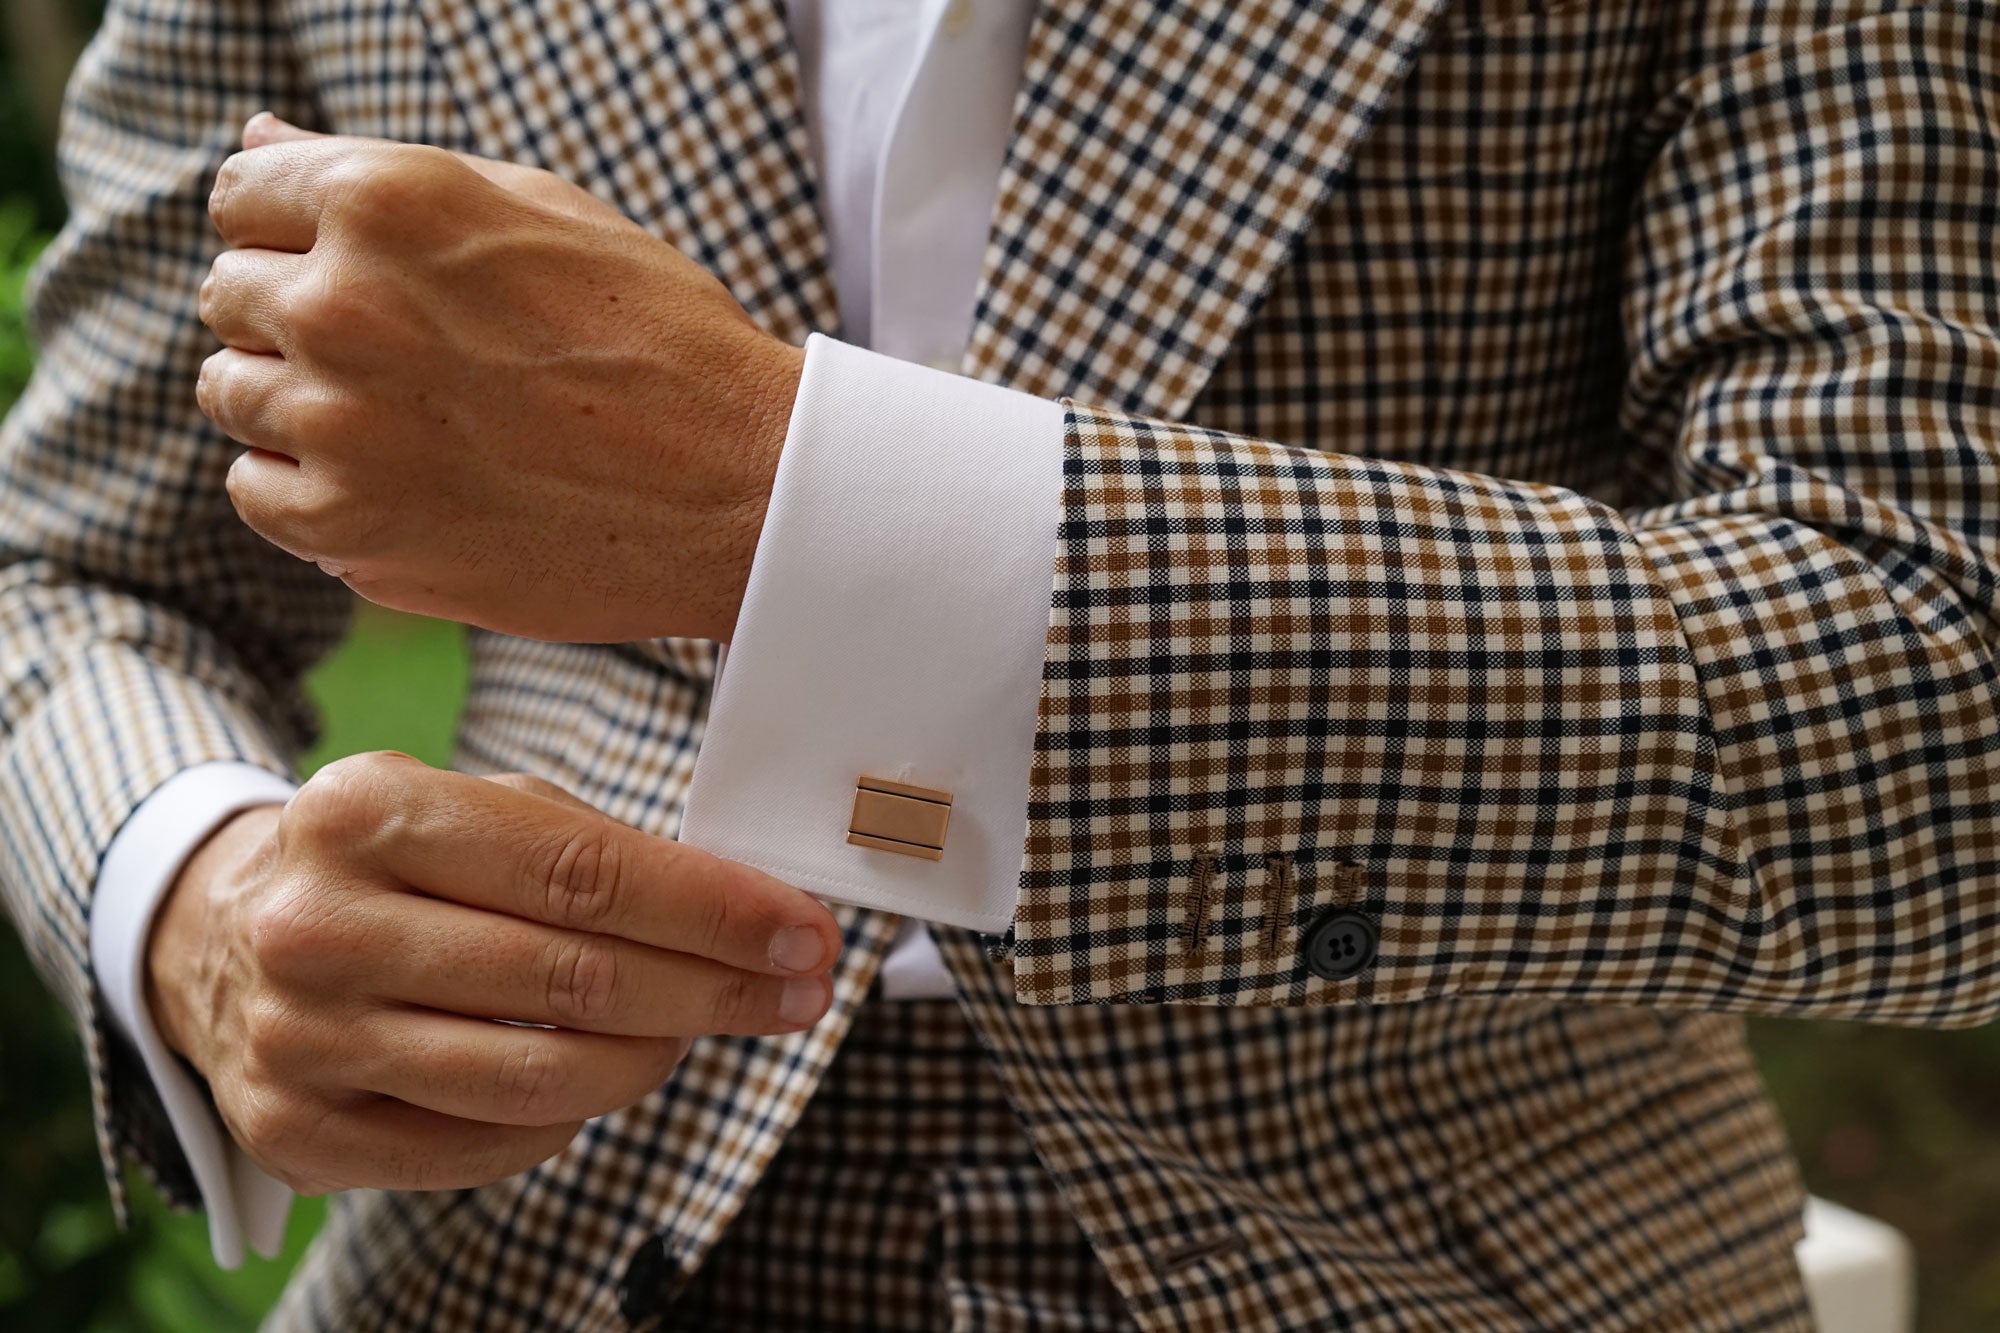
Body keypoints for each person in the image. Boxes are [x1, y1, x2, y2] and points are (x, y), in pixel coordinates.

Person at [3, 0, 1995, 1327]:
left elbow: (1938, 684)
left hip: (1441, 1247)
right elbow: (75, 573)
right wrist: (200, 889)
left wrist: (790, 494)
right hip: (516, 1242)